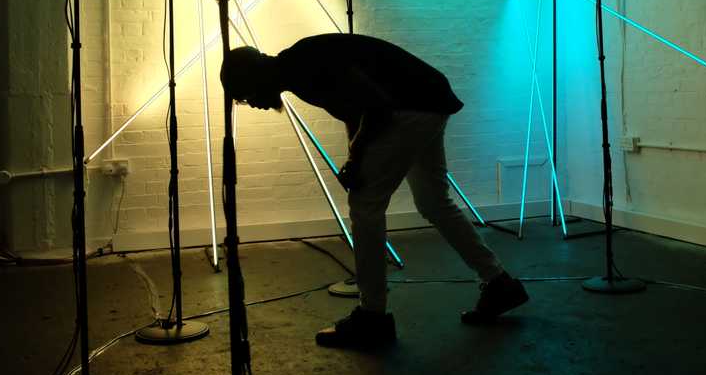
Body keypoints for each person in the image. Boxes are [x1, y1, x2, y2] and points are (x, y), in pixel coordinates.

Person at [220, 33, 528, 349]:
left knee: (365, 204)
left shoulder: (303, 67)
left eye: (244, 95)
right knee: (433, 202)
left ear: (254, 77)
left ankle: (372, 318)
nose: (252, 104)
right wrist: (355, 158)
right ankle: (499, 283)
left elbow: (377, 107)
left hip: (409, 107)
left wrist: (357, 160)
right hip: (428, 99)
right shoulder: (300, 67)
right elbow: (355, 111)